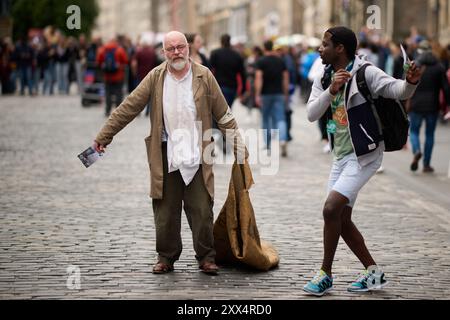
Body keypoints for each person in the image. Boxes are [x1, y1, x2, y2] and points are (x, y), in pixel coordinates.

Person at [93, 31, 246, 275]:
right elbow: (129, 107)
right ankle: (165, 256)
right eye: (171, 48)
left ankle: (206, 257)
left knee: (202, 209)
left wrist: (239, 145)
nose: (177, 52)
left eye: (181, 47)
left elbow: (223, 113)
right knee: (165, 211)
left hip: (198, 153)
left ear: (188, 48)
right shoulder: (156, 77)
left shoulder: (204, 75)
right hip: (166, 153)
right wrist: (104, 136)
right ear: (163, 52)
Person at [303, 26, 422, 296]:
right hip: (341, 156)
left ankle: (325, 273)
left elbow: (398, 91)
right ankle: (373, 272)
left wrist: (411, 82)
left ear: (340, 49)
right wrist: (331, 90)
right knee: (341, 218)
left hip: (365, 154)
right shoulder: (324, 77)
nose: (320, 49)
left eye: (324, 45)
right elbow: (312, 113)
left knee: (331, 209)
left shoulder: (366, 72)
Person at [408, 40, 450, 173]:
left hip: (416, 104)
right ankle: (426, 164)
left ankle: (416, 150)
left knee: (414, 131)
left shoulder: (415, 65)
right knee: (430, 134)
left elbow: (406, 85)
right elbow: (446, 88)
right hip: (432, 105)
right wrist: (447, 105)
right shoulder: (439, 66)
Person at [255, 40, 289, 157]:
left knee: (265, 119)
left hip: (265, 94)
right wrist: (285, 94)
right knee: (280, 118)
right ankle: (283, 139)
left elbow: (259, 78)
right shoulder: (280, 61)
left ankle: (268, 145)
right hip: (279, 93)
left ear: (264, 48)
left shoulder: (261, 61)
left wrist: (257, 94)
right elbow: (285, 78)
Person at [96, 36, 128, 116]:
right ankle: (118, 112)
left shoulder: (103, 49)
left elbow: (98, 61)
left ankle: (107, 110)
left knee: (108, 94)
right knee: (118, 94)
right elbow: (125, 60)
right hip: (118, 76)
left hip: (107, 76)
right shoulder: (119, 49)